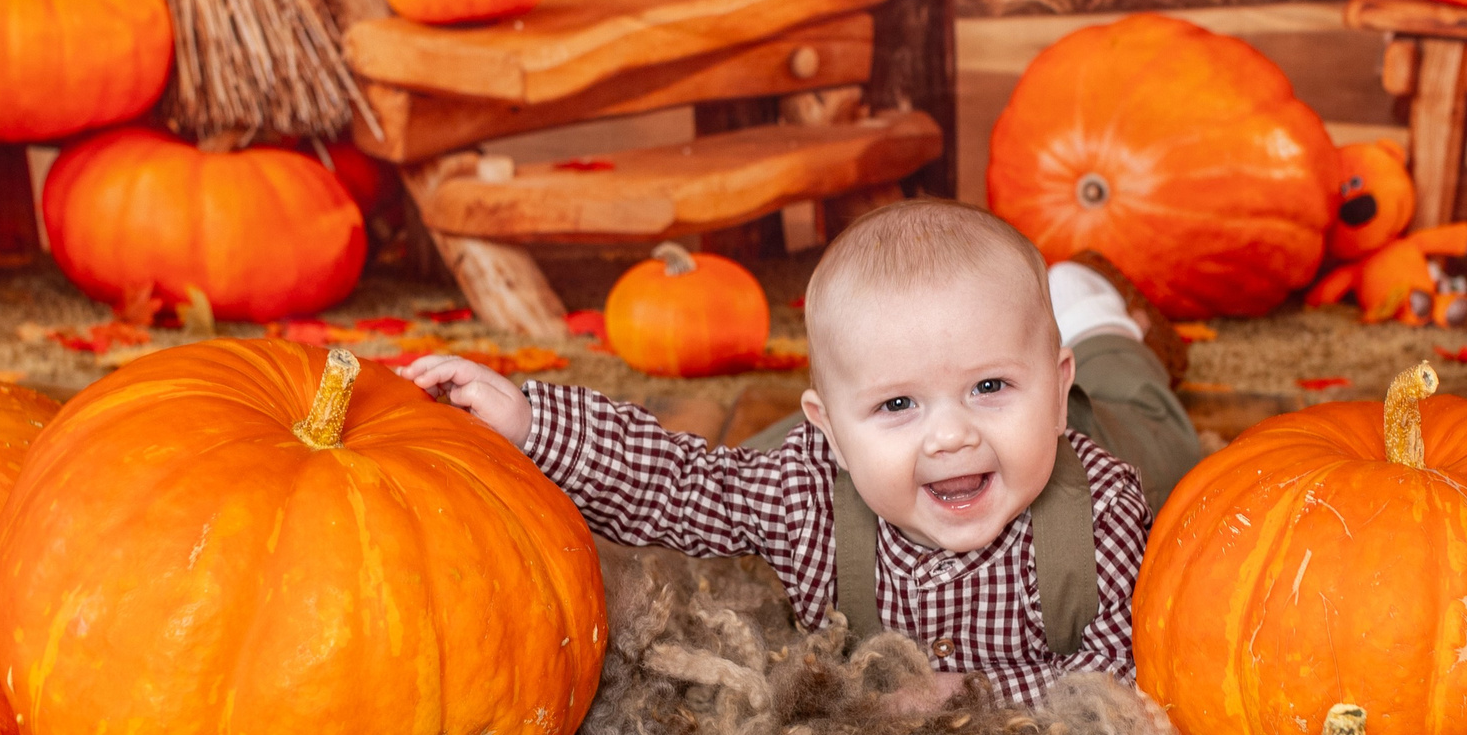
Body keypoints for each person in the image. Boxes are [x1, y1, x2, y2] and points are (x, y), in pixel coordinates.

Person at [394, 200, 1201, 707]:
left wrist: (973, 693)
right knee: (740, 465)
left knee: (1159, 428)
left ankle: (1091, 321)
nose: (951, 434)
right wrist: (531, 420)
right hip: (837, 449)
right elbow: (680, 484)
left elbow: (1126, 664)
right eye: (898, 404)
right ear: (828, 430)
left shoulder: (1103, 506)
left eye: (990, 387)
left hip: (1103, 427)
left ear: (1050, 391)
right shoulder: (805, 496)